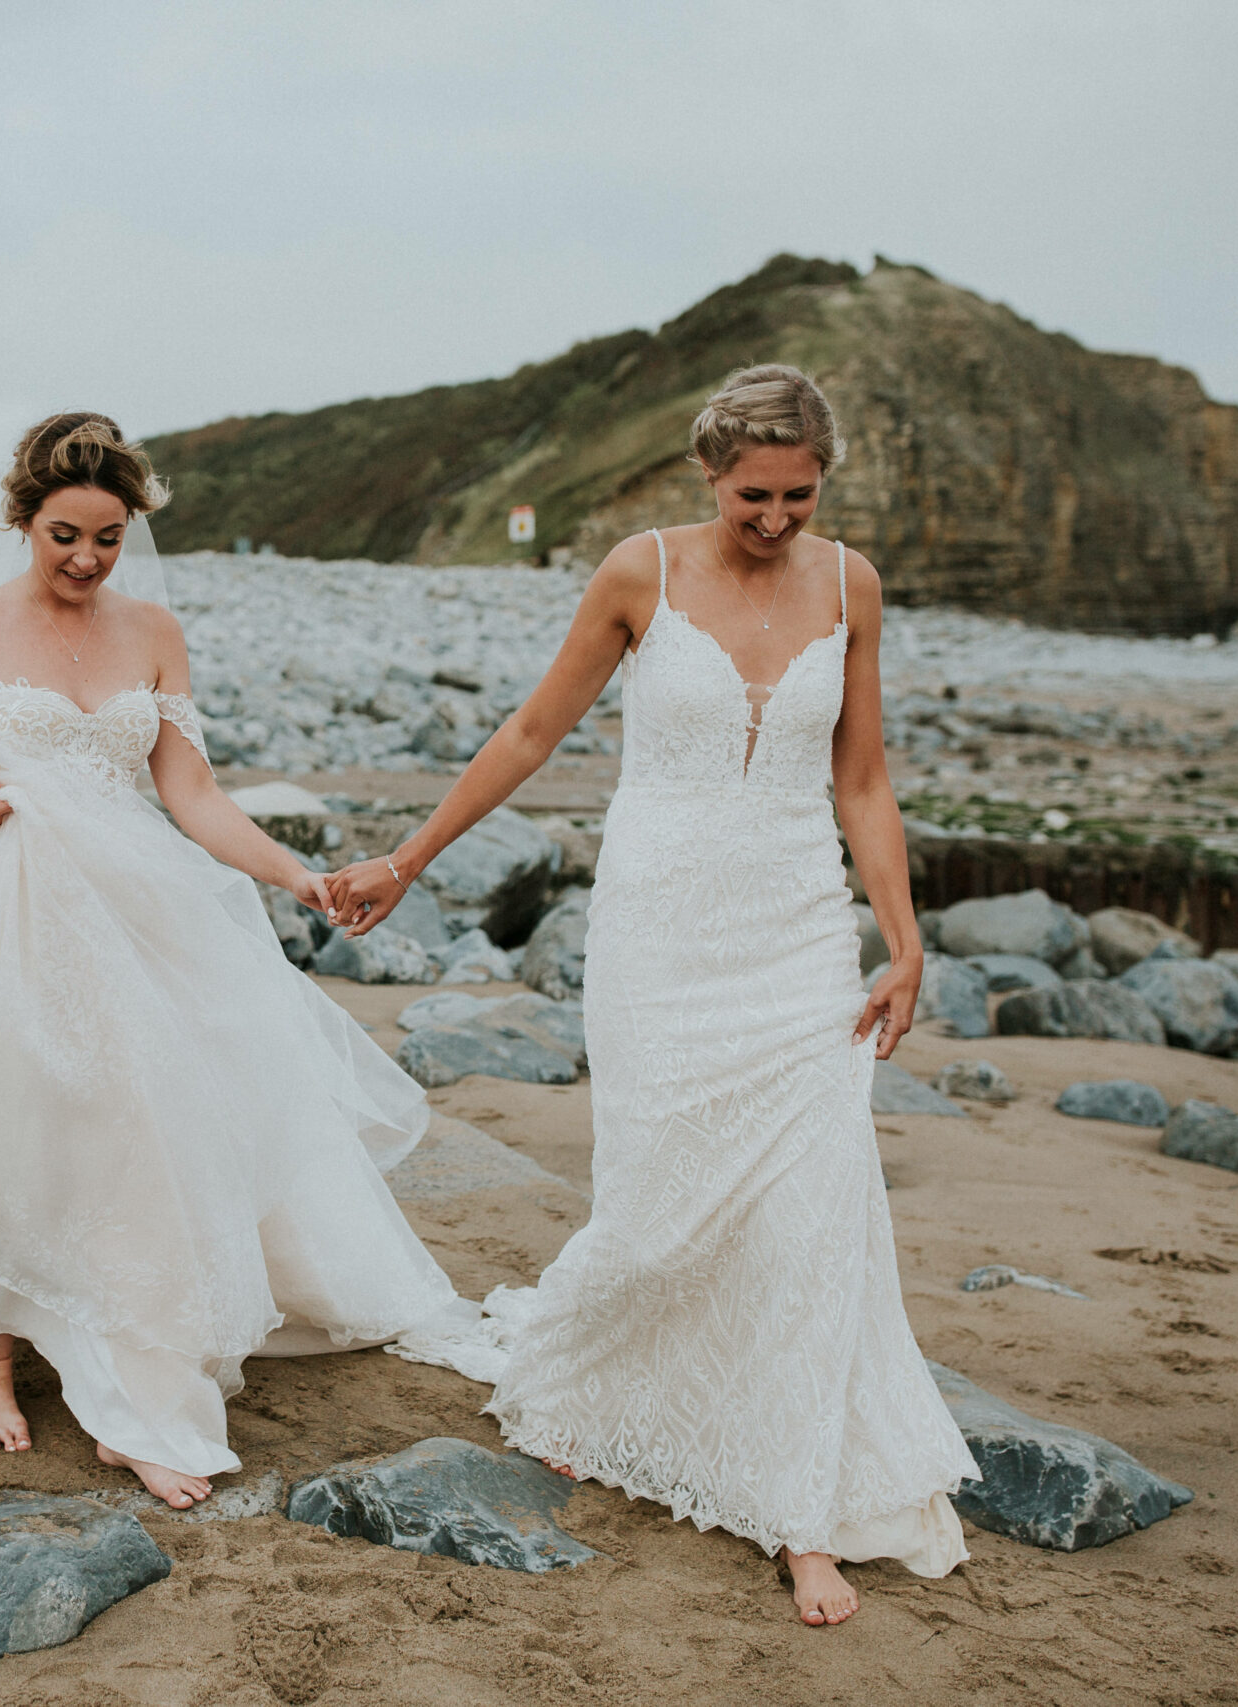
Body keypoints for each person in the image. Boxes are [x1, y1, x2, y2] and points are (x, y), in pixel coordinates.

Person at [0, 412, 466, 1509]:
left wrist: (295, 878)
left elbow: (190, 795)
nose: (84, 559)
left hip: (126, 908)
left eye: (107, 538)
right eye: (64, 534)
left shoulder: (152, 632)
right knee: (9, 1111)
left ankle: (132, 1371)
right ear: (22, 519)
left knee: (132, 1122)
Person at [335, 365, 978, 1626]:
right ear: (706, 472)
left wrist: (903, 944)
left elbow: (862, 781)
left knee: (807, 1209)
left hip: (794, 930)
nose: (777, 518)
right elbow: (531, 733)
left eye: (800, 494)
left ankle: (800, 1516)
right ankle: (588, 1384)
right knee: (657, 1199)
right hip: (660, 929)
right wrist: (407, 860)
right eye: (754, 495)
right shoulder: (641, 571)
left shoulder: (854, 586)